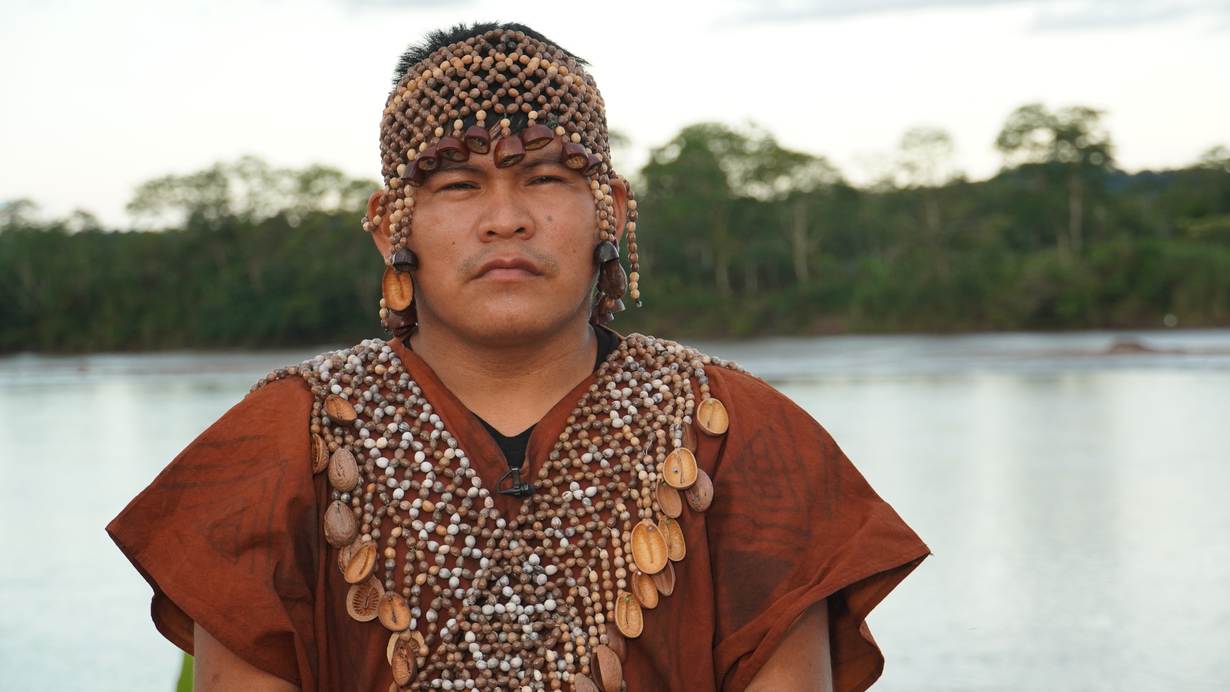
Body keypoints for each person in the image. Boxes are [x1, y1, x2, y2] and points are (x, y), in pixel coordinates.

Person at [107, 21, 929, 692]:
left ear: (609, 208)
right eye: (457, 185)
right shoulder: (280, 444)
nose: (505, 219)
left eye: (543, 178)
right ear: (391, 224)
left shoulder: (743, 436)